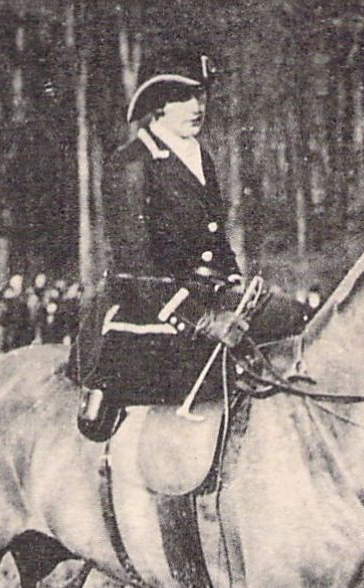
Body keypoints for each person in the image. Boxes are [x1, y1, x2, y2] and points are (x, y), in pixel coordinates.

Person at [72, 51, 307, 440]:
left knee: (295, 320)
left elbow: (216, 239)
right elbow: (137, 266)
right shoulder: (132, 163)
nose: (197, 107)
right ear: (157, 105)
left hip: (211, 298)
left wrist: (236, 285)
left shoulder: (201, 157)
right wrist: (202, 319)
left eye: (200, 94)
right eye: (184, 97)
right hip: (152, 307)